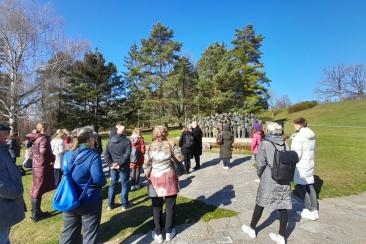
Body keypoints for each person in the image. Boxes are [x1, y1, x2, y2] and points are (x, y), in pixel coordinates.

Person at [241, 122, 291, 244]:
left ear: (269, 130)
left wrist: (260, 175)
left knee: (260, 203)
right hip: (283, 179)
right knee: (283, 206)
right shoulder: (285, 144)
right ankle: (281, 236)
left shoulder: (265, 143)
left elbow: (260, 163)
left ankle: (252, 228)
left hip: (269, 178)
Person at [60, 127, 106, 244]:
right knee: (90, 235)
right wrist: (103, 182)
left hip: (69, 197)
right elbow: (99, 179)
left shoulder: (67, 154)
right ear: (90, 139)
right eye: (93, 138)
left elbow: (65, 173)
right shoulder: (93, 155)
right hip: (88, 199)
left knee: (68, 233)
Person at [143, 126, 183, 243]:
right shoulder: (170, 143)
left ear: (154, 134)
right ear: (165, 133)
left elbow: (146, 165)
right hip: (169, 177)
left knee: (156, 207)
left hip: (155, 178)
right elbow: (180, 158)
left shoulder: (149, 146)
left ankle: (158, 233)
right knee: (170, 206)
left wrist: (147, 174)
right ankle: (169, 232)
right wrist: (175, 147)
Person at [0, 123, 25, 244]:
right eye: (4, 133)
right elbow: (2, 186)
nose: (7, 135)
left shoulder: (3, 151)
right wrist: (18, 191)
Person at [26, 123, 55, 222]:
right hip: (41, 166)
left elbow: (28, 146)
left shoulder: (35, 137)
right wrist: (53, 157)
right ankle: (36, 215)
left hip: (36, 165)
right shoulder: (43, 138)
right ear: (44, 129)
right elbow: (43, 151)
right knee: (37, 190)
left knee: (36, 188)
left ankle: (37, 211)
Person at [291, 117, 319, 220]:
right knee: (310, 186)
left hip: (302, 165)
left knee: (303, 187)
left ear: (299, 125)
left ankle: (309, 210)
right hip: (309, 163)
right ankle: (314, 209)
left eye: (294, 124)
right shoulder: (311, 135)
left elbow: (296, 155)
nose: (293, 126)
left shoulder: (299, 137)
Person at [105, 122, 131, 211]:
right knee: (124, 184)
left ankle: (111, 205)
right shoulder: (126, 141)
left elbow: (106, 155)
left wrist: (113, 164)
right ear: (124, 132)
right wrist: (114, 164)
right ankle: (124, 204)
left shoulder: (111, 140)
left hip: (117, 165)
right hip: (122, 166)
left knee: (113, 184)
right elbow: (126, 155)